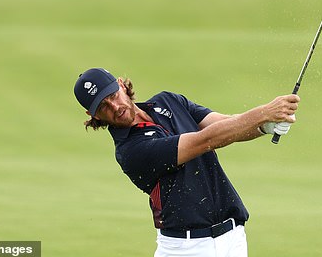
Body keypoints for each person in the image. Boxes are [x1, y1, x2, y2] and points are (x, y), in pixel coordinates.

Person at [73, 68, 300, 257]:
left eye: (113, 96)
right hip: (187, 248)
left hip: (233, 240)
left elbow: (226, 124)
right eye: (103, 107)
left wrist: (264, 126)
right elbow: (206, 140)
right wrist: (264, 112)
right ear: (94, 116)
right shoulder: (130, 151)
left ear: (121, 85)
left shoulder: (168, 101)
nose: (115, 107)